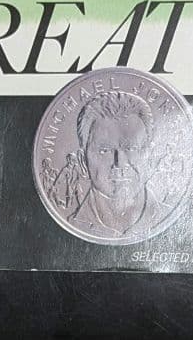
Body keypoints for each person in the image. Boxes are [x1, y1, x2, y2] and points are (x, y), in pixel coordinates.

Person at [65, 91, 163, 238]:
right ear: (83, 162)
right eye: (105, 150)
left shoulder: (169, 218)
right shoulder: (71, 225)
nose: (119, 163)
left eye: (131, 148)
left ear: (151, 158)